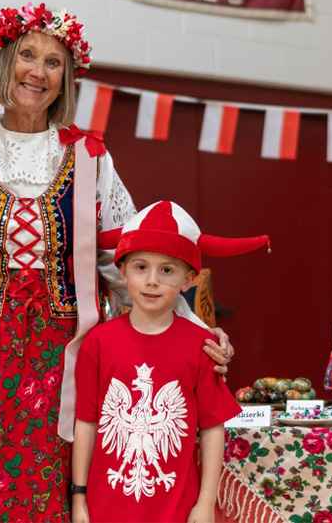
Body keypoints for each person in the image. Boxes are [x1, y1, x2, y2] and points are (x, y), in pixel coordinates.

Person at [0, 4, 236, 522]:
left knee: (54, 478)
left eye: (54, 62)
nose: (38, 70)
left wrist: (195, 332)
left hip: (65, 349)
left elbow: (126, 259)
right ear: (4, 62)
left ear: (66, 79)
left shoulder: (88, 156)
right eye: (27, 55)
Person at [71, 200, 265, 523]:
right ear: (122, 271)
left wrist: (205, 504)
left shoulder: (201, 346)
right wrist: (79, 499)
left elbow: (212, 428)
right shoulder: (97, 343)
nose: (151, 281)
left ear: (188, 280)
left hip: (175, 510)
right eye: (141, 267)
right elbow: (87, 422)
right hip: (106, 509)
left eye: (166, 270)